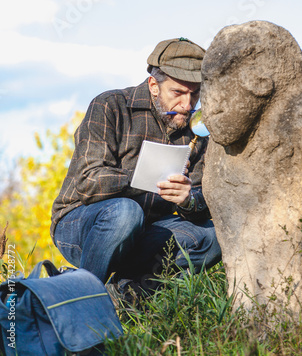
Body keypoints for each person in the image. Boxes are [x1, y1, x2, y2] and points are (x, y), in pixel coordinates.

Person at [51, 37, 221, 301]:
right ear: (154, 85)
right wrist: (145, 175)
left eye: (195, 94)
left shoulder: (196, 130)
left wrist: (188, 200)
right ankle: (82, 300)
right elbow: (88, 181)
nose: (187, 106)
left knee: (212, 236)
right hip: (82, 223)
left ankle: (122, 293)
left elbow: (204, 199)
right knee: (126, 212)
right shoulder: (109, 106)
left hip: (147, 231)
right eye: (178, 93)